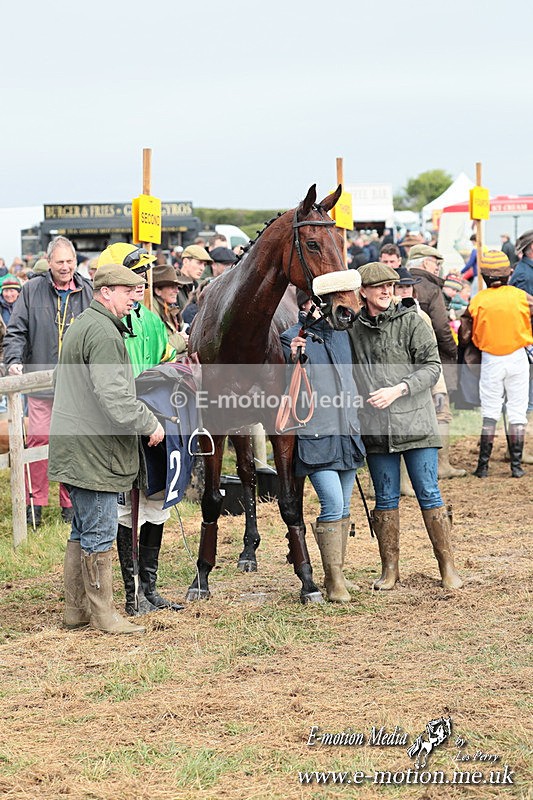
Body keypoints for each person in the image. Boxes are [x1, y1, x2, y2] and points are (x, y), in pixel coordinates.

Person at [48, 263, 165, 635]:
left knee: (81, 531)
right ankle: (103, 615)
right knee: (98, 533)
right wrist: (149, 423)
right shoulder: (103, 333)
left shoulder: (84, 324)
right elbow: (114, 397)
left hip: (78, 445)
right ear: (105, 292)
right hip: (93, 452)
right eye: (128, 291)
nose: (134, 298)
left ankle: (76, 611)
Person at [347, 262, 463, 591]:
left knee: (429, 492)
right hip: (376, 428)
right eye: (379, 286)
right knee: (385, 498)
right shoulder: (352, 329)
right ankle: (389, 571)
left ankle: (448, 568)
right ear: (363, 292)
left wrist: (399, 389)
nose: (387, 291)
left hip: (416, 423)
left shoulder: (412, 320)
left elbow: (431, 367)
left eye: (391, 285)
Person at [281, 276, 365, 603]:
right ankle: (333, 580)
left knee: (344, 506)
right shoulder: (292, 337)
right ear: (313, 303)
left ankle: (337, 574)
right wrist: (292, 359)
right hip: (315, 435)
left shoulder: (344, 335)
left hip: (347, 434)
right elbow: (284, 389)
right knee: (331, 502)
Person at [4, 236, 93, 526]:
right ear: (49, 262)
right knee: (39, 440)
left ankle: (70, 506)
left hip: (77, 386)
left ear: (75, 261)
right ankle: (34, 505)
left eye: (69, 261)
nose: (65, 267)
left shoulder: (88, 291)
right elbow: (16, 331)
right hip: (40, 384)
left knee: (71, 443)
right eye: (59, 262)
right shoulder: (31, 290)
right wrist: (13, 361)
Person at [113, 278, 183, 616]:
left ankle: (150, 589)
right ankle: (133, 593)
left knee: (157, 501)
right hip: (125, 425)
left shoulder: (152, 320)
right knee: (127, 510)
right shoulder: (111, 322)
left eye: (143, 277)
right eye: (132, 279)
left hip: (157, 421)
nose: (139, 286)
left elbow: (167, 359)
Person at [458, 250, 533, 479]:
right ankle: (516, 466)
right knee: (517, 411)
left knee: (490, 412)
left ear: (484, 276)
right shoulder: (521, 296)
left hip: (491, 360)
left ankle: (483, 467)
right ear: (508, 273)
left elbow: (465, 334)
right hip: (518, 358)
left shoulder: (478, 299)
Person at [405, 244, 463, 479]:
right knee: (441, 411)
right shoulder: (431, 287)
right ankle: (442, 465)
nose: (438, 267)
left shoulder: (401, 282)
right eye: (435, 262)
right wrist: (453, 351)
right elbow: (441, 326)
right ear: (423, 262)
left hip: (404, 362)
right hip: (431, 358)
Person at [151, 264, 189, 352]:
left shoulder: (170, 308)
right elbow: (158, 347)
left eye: (177, 287)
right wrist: (182, 340)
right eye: (172, 287)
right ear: (158, 291)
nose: (177, 291)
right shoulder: (151, 310)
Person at [177, 245, 213, 309]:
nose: (202, 268)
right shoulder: (173, 284)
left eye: (204, 265)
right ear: (185, 262)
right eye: (199, 263)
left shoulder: (196, 287)